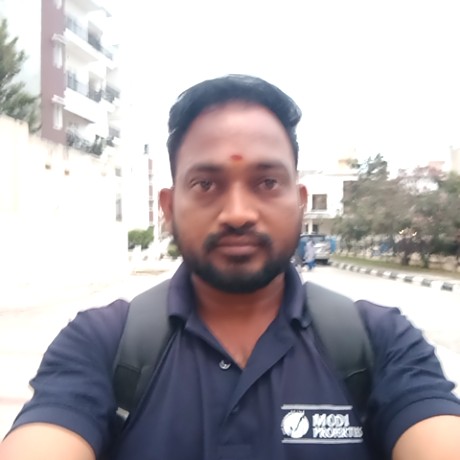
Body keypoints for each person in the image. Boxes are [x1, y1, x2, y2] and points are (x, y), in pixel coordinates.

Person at [1, 75, 459, 460]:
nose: (238, 213)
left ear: (299, 202)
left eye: (267, 182)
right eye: (205, 184)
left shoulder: (380, 343)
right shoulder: (100, 346)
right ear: (168, 207)